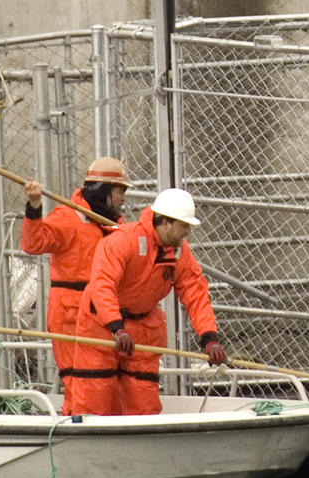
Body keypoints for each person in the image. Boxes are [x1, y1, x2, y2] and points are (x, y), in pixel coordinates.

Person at [70, 188, 227, 415]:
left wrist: (209, 338)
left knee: (143, 400)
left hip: (142, 329)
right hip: (101, 327)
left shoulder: (179, 253)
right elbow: (103, 286)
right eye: (184, 226)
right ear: (164, 223)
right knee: (95, 395)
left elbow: (196, 294)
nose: (188, 232)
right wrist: (116, 327)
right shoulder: (124, 241)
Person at [20, 157, 131, 415]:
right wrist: (34, 207)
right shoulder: (68, 217)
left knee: (105, 384)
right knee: (80, 381)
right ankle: (78, 427)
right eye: (120, 191)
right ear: (104, 191)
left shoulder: (114, 225)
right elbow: (33, 244)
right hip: (71, 314)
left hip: (105, 315)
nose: (123, 198)